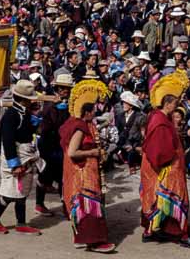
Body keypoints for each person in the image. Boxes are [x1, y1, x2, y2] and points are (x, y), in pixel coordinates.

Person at [140, 72, 190, 249]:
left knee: (154, 198)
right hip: (166, 168)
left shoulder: (157, 116)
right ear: (167, 103)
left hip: (158, 167)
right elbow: (158, 151)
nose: (177, 106)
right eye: (175, 103)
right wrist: (172, 159)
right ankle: (181, 234)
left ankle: (151, 231)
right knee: (174, 198)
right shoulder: (160, 121)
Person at [60, 84, 116, 253]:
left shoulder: (74, 123)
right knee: (88, 207)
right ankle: (94, 241)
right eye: (93, 110)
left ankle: (82, 238)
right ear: (87, 112)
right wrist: (94, 152)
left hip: (82, 172)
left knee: (84, 208)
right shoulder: (79, 127)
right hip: (84, 174)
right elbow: (72, 152)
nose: (95, 113)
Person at [0, 80, 43, 235]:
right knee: (11, 190)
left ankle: (21, 223)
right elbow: (8, 141)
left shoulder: (23, 112)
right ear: (24, 99)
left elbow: (29, 130)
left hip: (24, 154)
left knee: (22, 191)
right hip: (15, 156)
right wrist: (15, 164)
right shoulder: (11, 115)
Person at [35, 73, 73, 216]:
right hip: (48, 144)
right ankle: (39, 203)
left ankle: (66, 205)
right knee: (45, 174)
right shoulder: (50, 103)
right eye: (62, 88)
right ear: (57, 88)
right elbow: (49, 123)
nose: (65, 91)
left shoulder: (69, 104)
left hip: (61, 144)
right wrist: (56, 107)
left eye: (67, 88)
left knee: (63, 176)